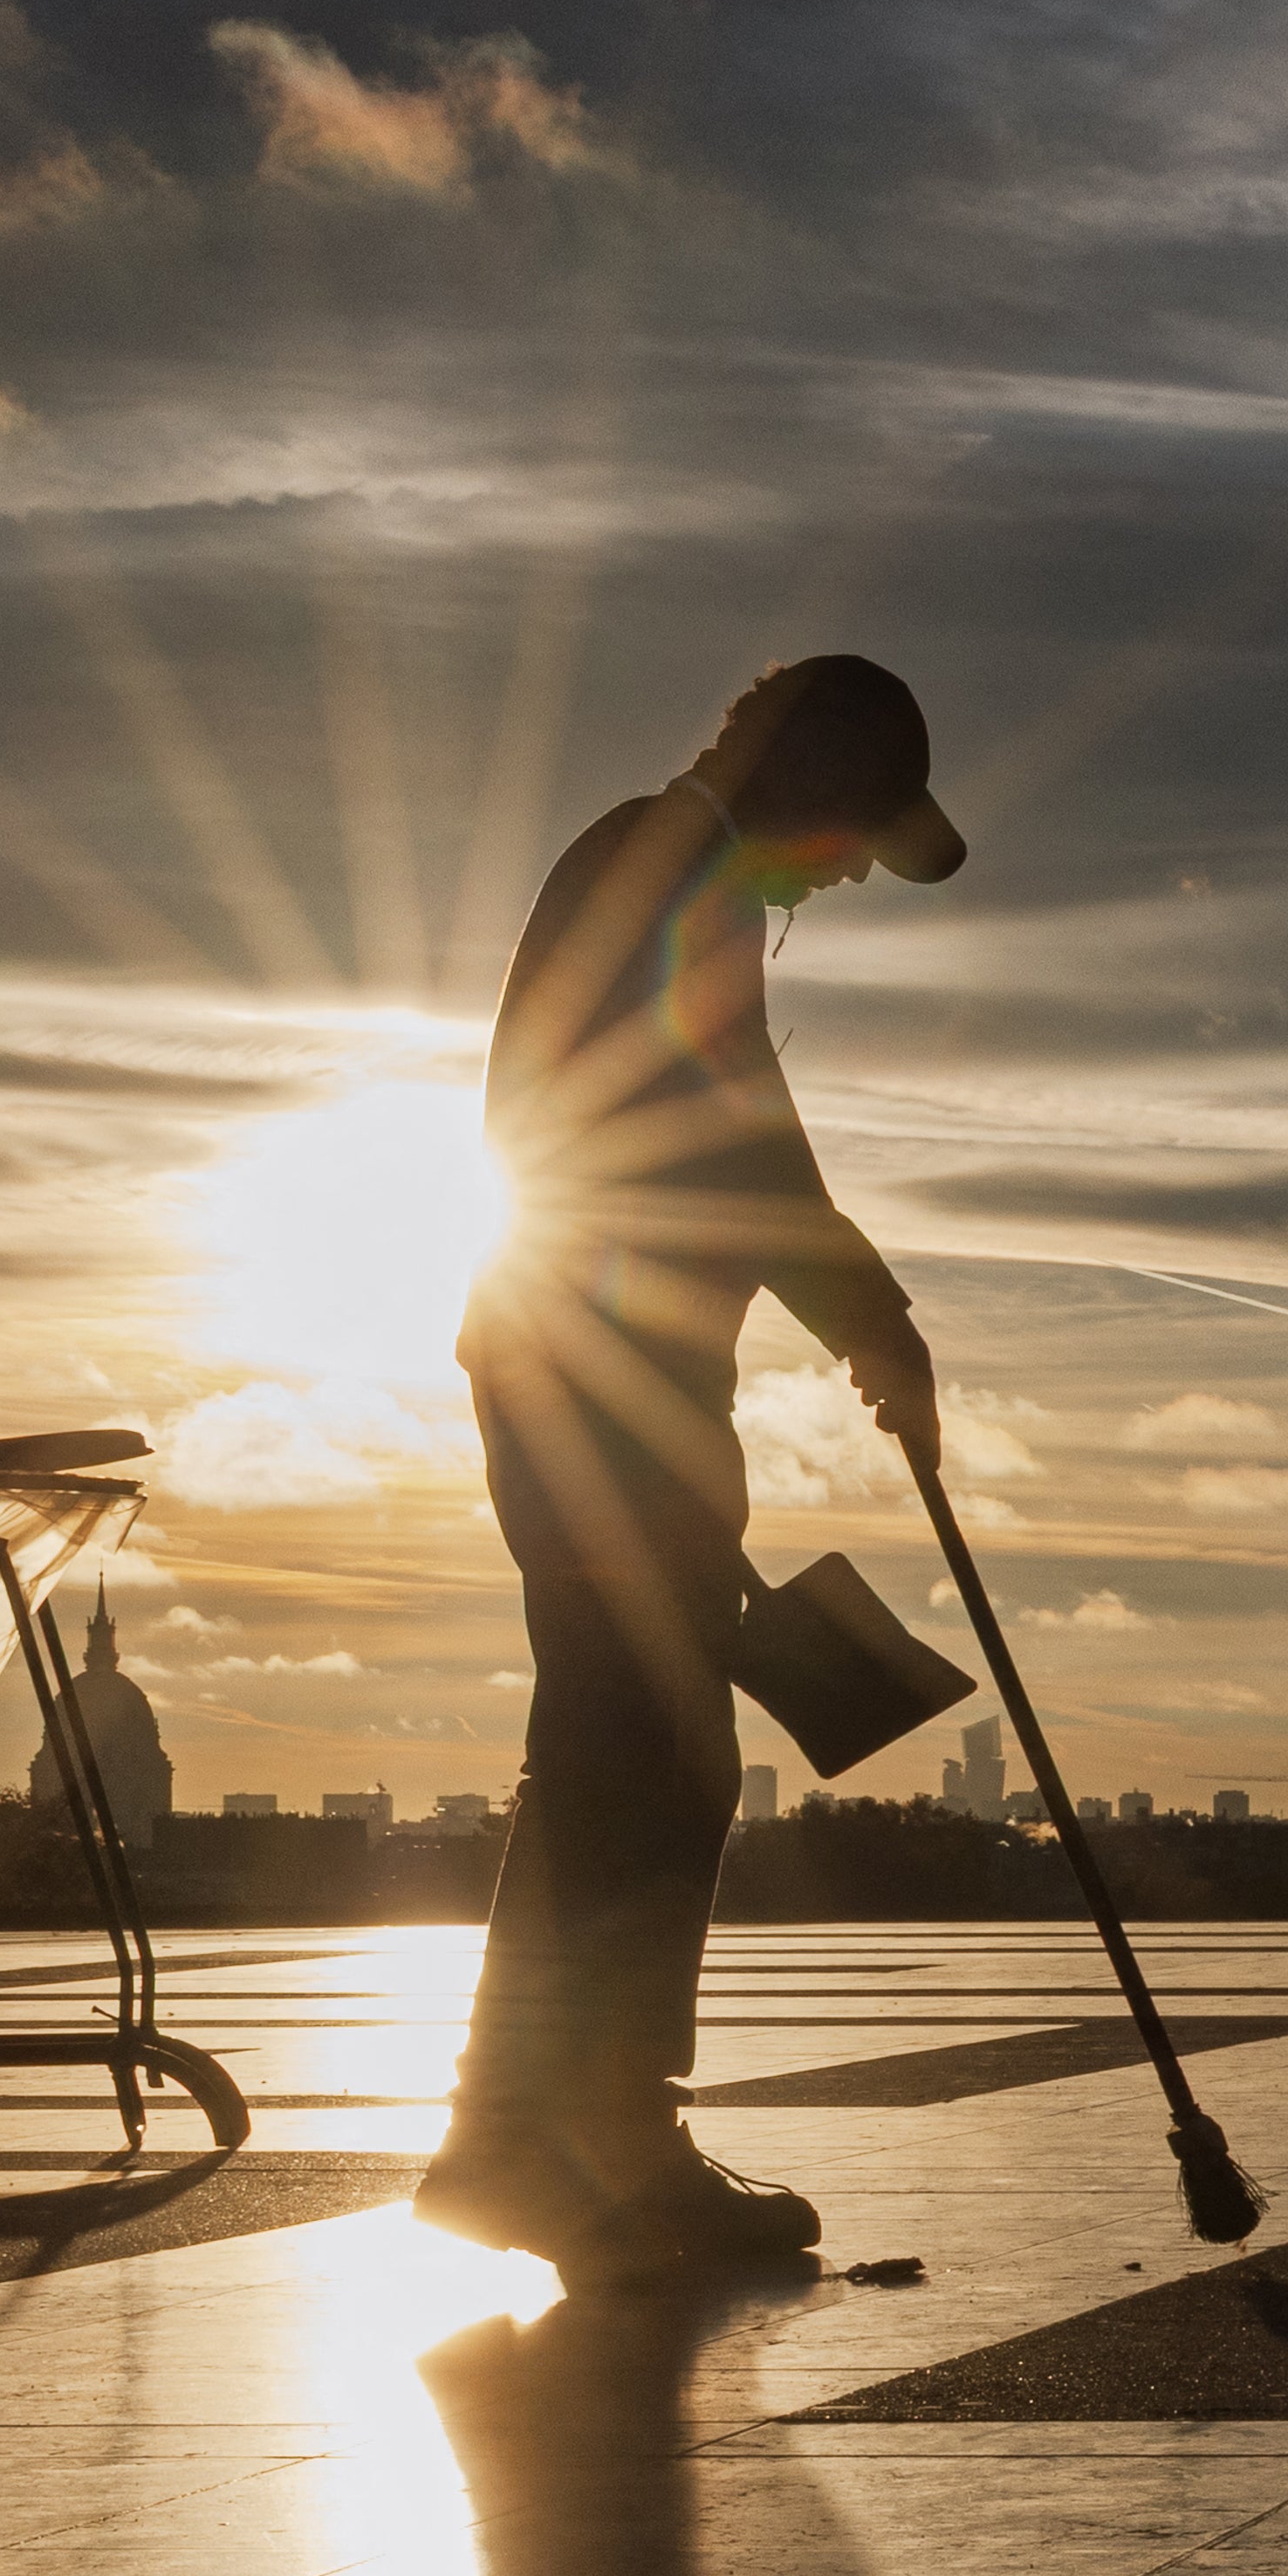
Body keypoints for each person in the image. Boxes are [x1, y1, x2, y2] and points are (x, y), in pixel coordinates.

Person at [423, 656, 965, 2278]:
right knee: (645, 1756)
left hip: (608, 1387)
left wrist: (870, 1317)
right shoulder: (667, 875)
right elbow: (737, 1143)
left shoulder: (673, 880)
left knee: (625, 1748)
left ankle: (524, 2137)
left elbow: (740, 1137)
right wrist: (877, 1317)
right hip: (594, 1388)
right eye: (855, 831)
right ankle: (584, 2146)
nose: (855, 868)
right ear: (798, 782)